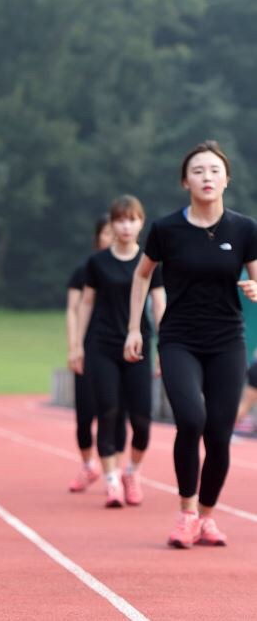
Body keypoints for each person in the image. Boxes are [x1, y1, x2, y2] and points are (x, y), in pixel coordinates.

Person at [124, 141, 257, 548]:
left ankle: (207, 518)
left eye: (215, 171)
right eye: (198, 171)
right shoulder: (166, 229)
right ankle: (186, 512)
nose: (207, 178)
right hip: (179, 338)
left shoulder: (244, 228)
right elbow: (143, 275)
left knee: (219, 431)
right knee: (191, 420)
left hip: (226, 340)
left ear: (227, 180)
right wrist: (135, 328)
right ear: (186, 181)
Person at [73, 196, 165, 508]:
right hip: (102, 346)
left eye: (133, 219)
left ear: (141, 223)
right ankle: (111, 481)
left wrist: (164, 346)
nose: (126, 226)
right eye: (120, 220)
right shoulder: (97, 263)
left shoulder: (150, 261)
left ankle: (132, 472)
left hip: (138, 347)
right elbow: (85, 304)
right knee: (108, 412)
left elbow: (160, 303)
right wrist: (77, 346)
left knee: (141, 418)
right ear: (112, 225)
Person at [66, 214, 128, 492]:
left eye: (114, 234)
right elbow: (73, 308)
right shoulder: (85, 269)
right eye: (106, 234)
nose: (112, 238)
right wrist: (74, 346)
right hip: (90, 347)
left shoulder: (132, 269)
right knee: (85, 412)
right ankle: (89, 464)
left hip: (119, 349)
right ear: (98, 237)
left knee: (115, 411)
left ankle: (113, 469)